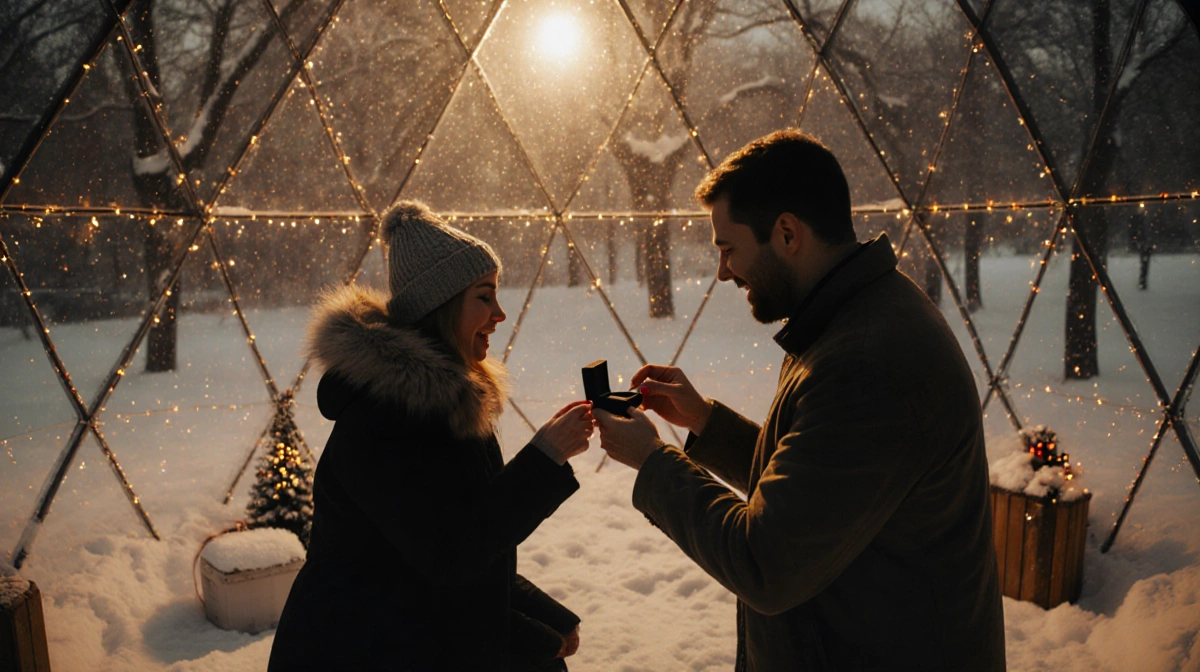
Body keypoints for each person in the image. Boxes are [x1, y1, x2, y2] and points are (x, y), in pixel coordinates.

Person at [593, 130, 1006, 671]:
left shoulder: (867, 363)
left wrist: (653, 461)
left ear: (787, 232)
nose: (723, 272)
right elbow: (819, 491)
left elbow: (767, 562)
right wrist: (705, 422)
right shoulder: (857, 313)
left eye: (728, 248)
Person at [269, 201, 593, 671]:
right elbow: (452, 554)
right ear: (439, 307)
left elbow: (469, 540)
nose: (499, 313)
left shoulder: (446, 404)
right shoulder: (383, 420)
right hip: (355, 650)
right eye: (484, 296)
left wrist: (547, 617)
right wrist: (545, 457)